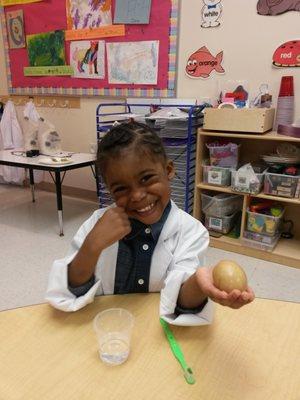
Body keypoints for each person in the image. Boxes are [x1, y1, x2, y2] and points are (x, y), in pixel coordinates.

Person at [45, 121, 254, 326]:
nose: (136, 196)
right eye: (120, 189)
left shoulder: (191, 232)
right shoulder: (95, 226)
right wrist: (92, 246)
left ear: (169, 170)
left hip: (157, 335)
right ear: (109, 190)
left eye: (146, 178)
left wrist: (200, 283)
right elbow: (70, 290)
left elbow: (182, 301)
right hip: (106, 329)